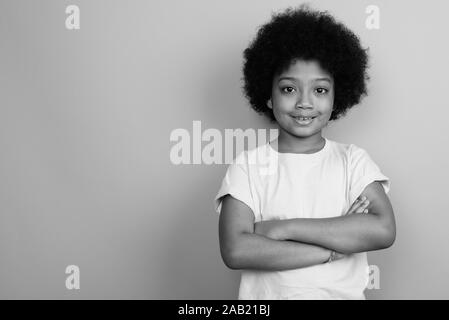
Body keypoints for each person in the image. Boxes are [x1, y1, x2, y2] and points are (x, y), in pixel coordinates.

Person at [213, 5, 396, 300]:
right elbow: (236, 250)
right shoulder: (248, 166)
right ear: (269, 97)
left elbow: (383, 229)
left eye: (320, 90)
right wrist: (331, 249)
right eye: (289, 89)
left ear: (337, 97)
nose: (304, 103)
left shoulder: (353, 161)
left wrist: (281, 228)